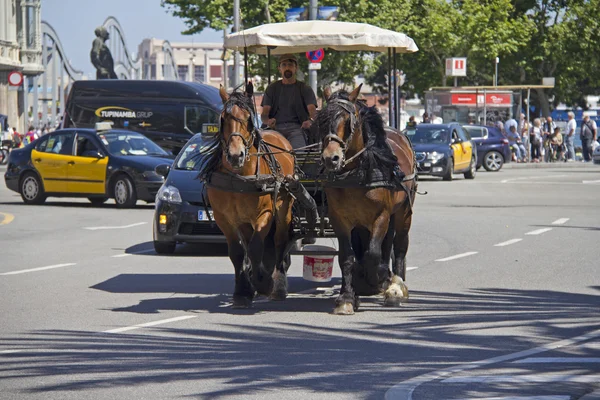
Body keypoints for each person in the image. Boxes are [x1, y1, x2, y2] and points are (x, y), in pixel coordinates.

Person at [260, 54, 317, 149]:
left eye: (290, 65)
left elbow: (313, 112)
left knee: (298, 152)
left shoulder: (305, 89)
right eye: (284, 65)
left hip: (297, 129)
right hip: (275, 129)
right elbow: (264, 114)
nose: (287, 68)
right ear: (279, 68)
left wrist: (309, 121)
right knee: (266, 153)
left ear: (296, 68)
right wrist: (268, 121)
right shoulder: (272, 89)